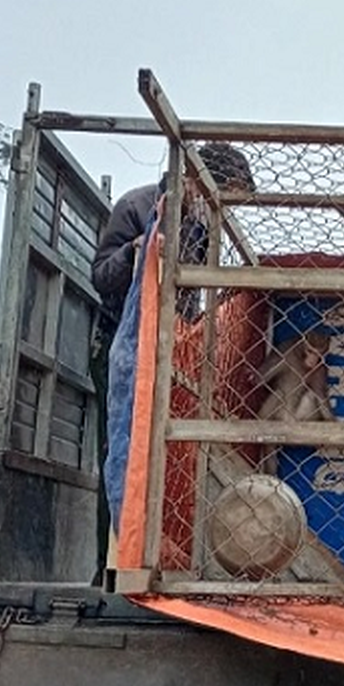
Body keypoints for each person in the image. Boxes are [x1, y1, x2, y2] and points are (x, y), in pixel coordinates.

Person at [87, 142, 254, 587]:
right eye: (226, 196)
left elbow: (189, 298)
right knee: (121, 453)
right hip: (121, 348)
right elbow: (100, 275)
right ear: (199, 182)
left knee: (165, 454)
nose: (225, 209)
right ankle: (111, 567)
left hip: (169, 350)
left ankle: (161, 552)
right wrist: (137, 252)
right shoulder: (139, 206)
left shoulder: (203, 226)